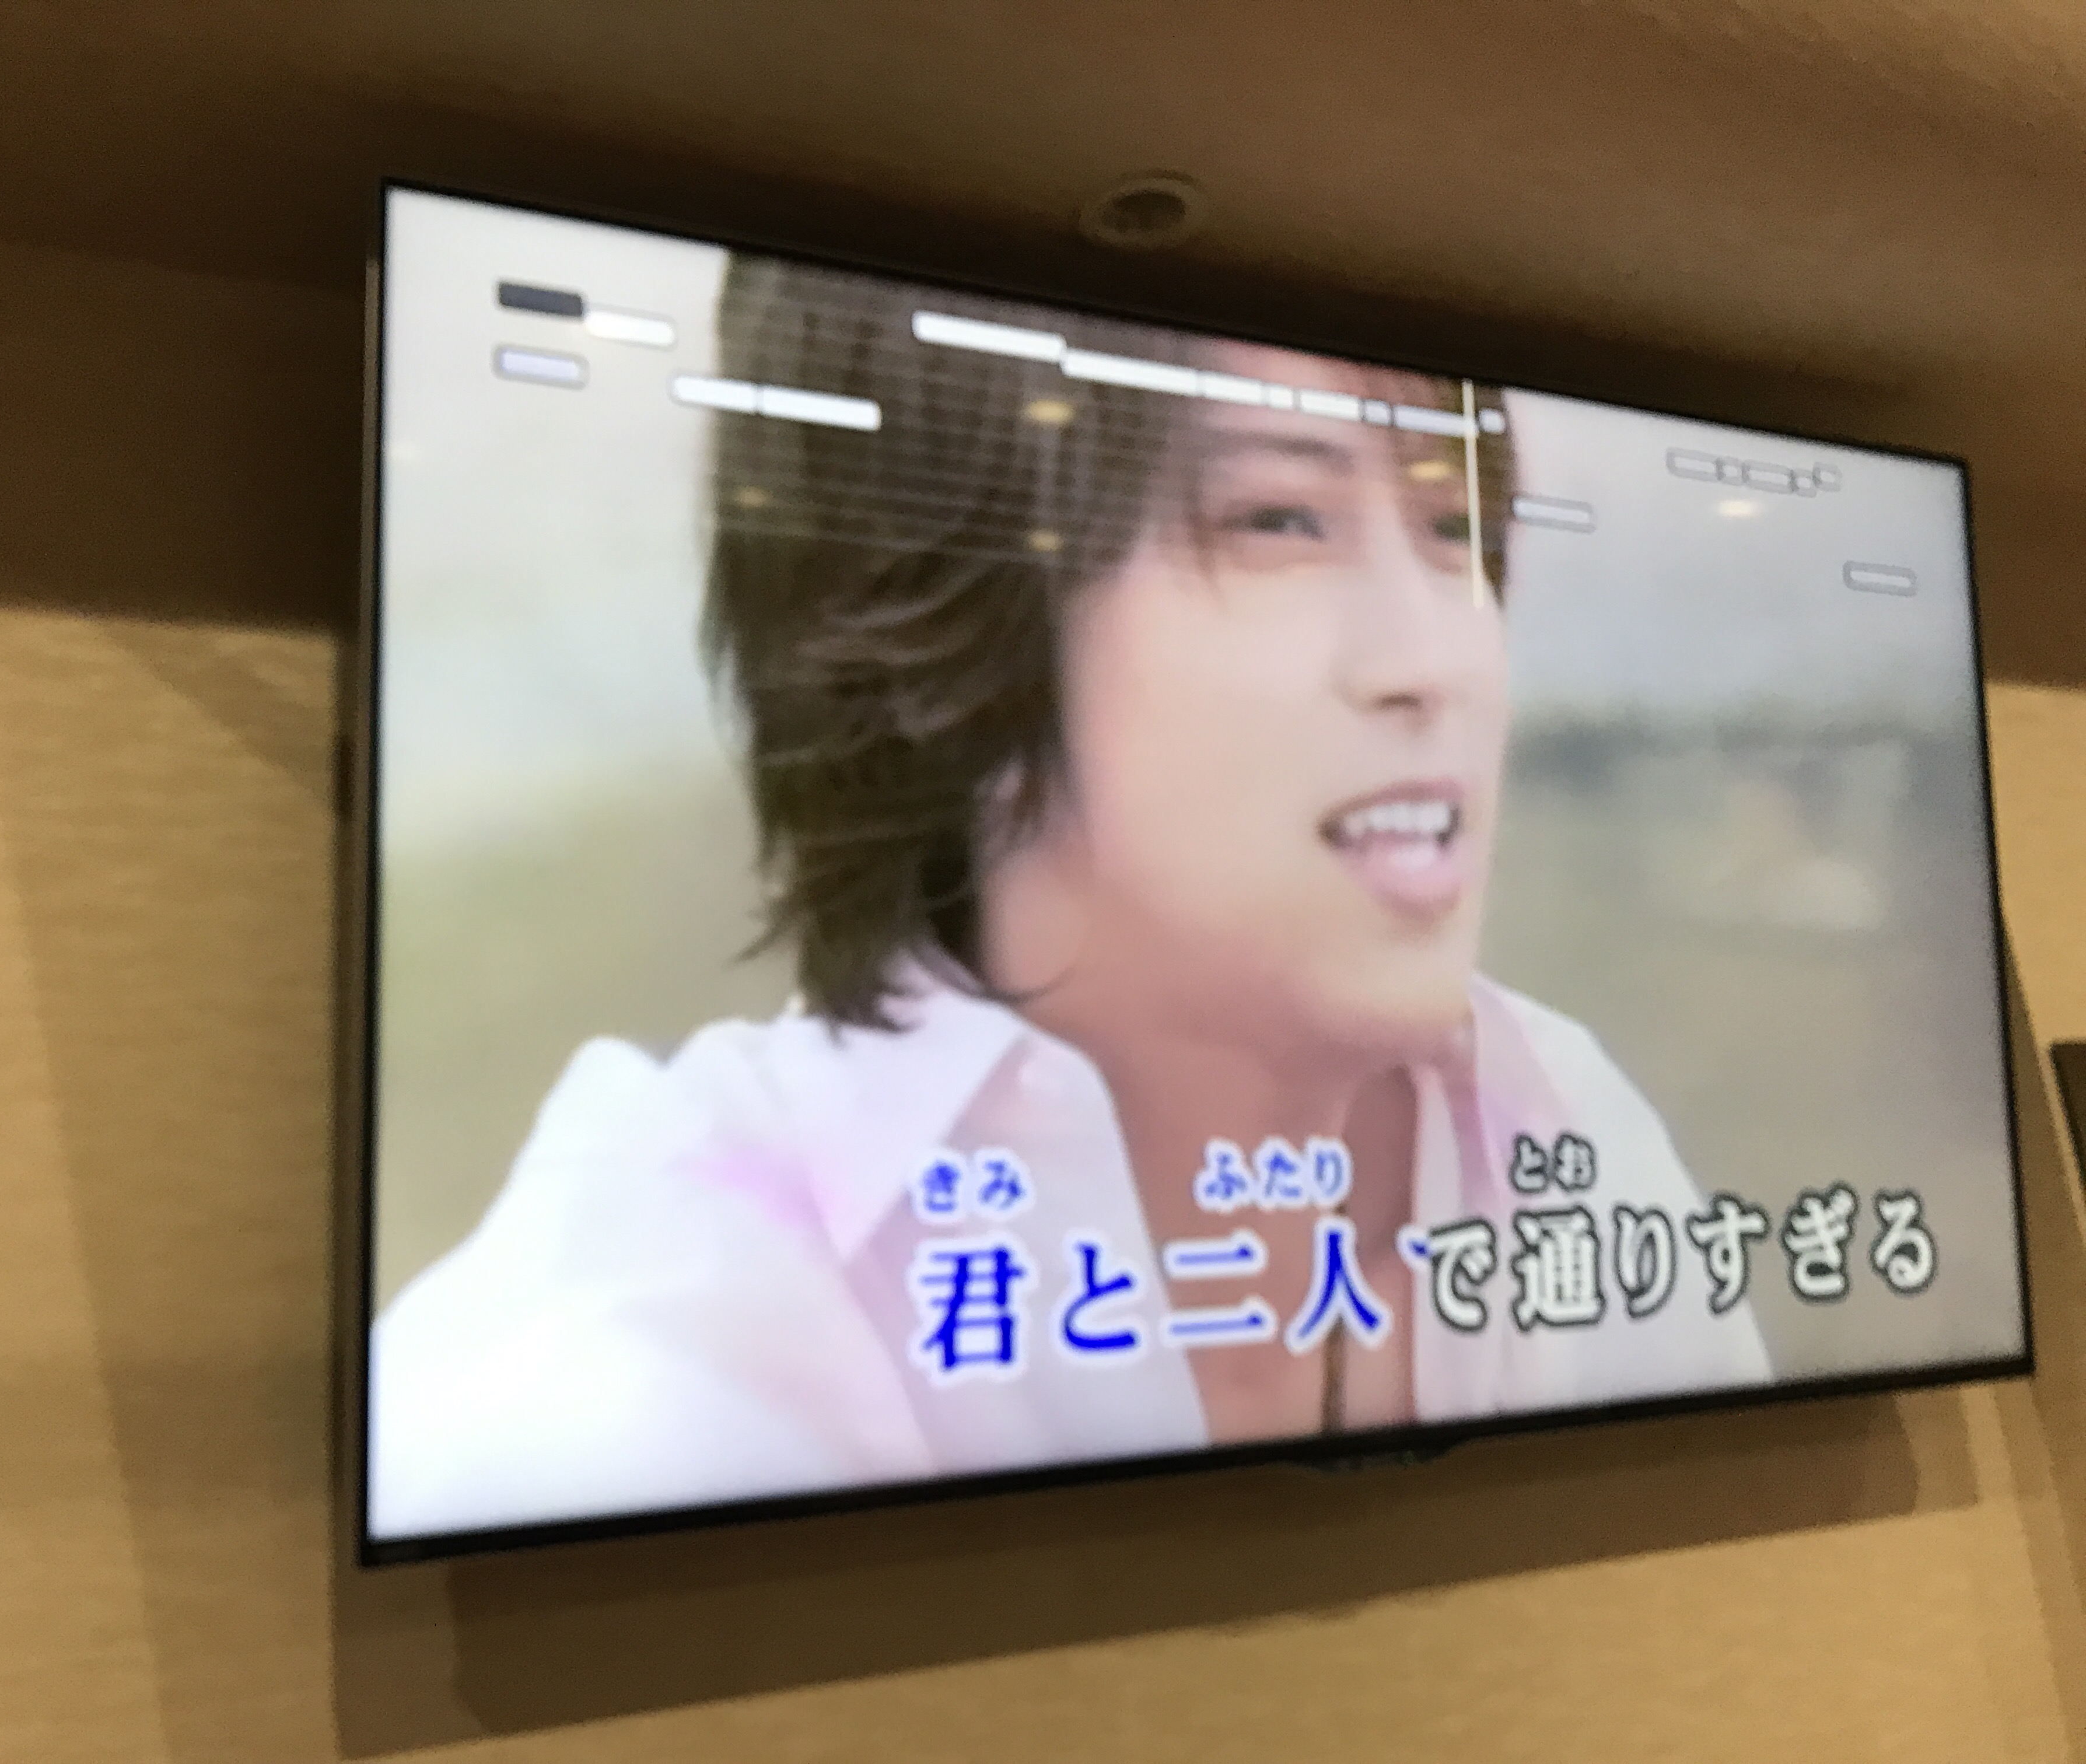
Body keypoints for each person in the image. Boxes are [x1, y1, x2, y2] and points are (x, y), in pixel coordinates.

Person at [369, 258, 1772, 1543]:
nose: (1440, 660)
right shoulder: (623, 1381)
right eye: (1280, 522)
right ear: (948, 621)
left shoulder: (1556, 1121)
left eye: (1455, 527)